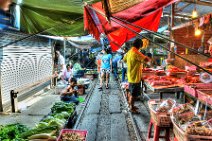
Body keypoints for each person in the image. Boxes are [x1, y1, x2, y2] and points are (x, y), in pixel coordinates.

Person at [123, 38, 150, 113]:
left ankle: (131, 105)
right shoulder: (136, 52)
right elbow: (146, 60)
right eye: (141, 45)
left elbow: (124, 60)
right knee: (133, 94)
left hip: (130, 75)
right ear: (140, 45)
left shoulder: (129, 52)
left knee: (131, 91)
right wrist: (148, 57)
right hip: (135, 77)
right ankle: (131, 108)